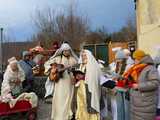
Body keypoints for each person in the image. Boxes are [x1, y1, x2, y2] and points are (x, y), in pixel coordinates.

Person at [44, 43, 78, 120]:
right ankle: (61, 116)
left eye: (68, 51)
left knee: (71, 98)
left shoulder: (74, 59)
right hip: (61, 83)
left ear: (70, 51)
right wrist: (53, 69)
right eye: (65, 51)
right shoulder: (57, 58)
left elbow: (79, 67)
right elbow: (47, 64)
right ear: (62, 51)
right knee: (61, 99)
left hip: (71, 82)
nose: (66, 52)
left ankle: (70, 115)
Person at [126, 50, 159, 120]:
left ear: (140, 59)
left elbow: (155, 83)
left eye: (135, 59)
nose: (133, 61)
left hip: (146, 103)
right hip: (137, 103)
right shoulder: (136, 68)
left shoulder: (150, 68)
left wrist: (139, 86)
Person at [73, 49, 101, 120]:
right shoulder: (81, 65)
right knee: (81, 104)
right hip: (80, 88)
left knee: (89, 103)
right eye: (82, 56)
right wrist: (77, 77)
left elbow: (94, 77)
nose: (83, 57)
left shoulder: (93, 65)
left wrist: (84, 76)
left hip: (89, 88)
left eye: (85, 55)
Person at [109, 50, 130, 120]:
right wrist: (113, 77)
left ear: (123, 58)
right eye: (116, 59)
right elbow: (116, 77)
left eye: (119, 59)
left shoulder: (128, 66)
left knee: (126, 109)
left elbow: (129, 79)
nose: (117, 61)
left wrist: (120, 77)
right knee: (119, 107)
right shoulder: (118, 66)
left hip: (126, 90)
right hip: (118, 89)